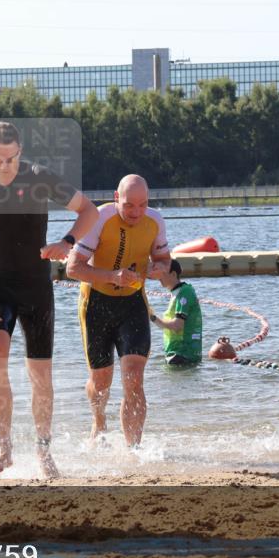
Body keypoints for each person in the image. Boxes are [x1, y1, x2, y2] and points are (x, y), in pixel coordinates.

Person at [0, 120, 99, 477]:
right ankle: (4, 449)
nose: (5, 166)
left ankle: (44, 450)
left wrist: (66, 242)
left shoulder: (39, 178)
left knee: (40, 375)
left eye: (11, 159)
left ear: (19, 152)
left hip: (35, 285)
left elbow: (89, 211)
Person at [65, 175, 170, 447]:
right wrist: (113, 276)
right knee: (101, 382)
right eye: (129, 205)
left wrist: (160, 269)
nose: (136, 213)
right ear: (116, 198)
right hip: (97, 303)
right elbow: (72, 268)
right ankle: (98, 421)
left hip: (133, 303)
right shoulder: (100, 218)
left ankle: (134, 449)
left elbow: (163, 260)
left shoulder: (155, 220)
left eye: (142, 205)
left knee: (134, 377)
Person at [151, 259, 203, 366]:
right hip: (177, 353)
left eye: (162, 273)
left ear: (173, 274)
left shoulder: (184, 292)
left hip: (183, 355)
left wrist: (152, 317)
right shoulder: (176, 292)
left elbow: (177, 326)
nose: (158, 277)